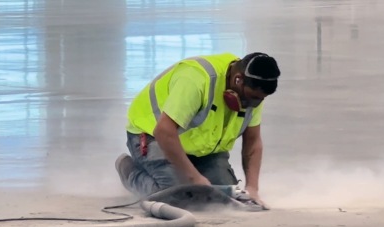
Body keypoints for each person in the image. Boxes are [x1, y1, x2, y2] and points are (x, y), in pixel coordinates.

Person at [115, 52, 280, 208]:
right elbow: (164, 131)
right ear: (238, 80)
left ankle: (187, 167)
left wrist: (252, 188)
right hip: (151, 134)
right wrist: (194, 177)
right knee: (174, 196)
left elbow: (253, 142)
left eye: (260, 100)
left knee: (221, 199)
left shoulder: (252, 93)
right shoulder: (197, 80)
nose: (253, 104)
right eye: (253, 98)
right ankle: (128, 170)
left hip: (199, 147)